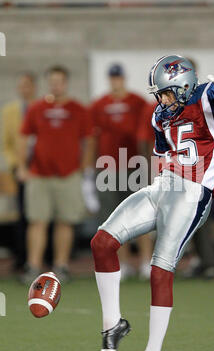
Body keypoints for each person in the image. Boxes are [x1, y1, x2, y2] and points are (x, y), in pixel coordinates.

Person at [90, 56, 214, 351]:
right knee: (101, 242)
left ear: (184, 85)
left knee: (160, 267)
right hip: (162, 186)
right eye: (158, 94)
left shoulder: (208, 96)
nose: (160, 100)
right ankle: (113, 325)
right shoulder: (161, 114)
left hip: (193, 192)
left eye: (165, 93)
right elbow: (163, 156)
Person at [17, 65, 94, 284]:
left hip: (68, 175)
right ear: (48, 83)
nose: (56, 85)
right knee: (37, 221)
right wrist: (22, 167)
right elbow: (23, 138)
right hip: (39, 174)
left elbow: (89, 140)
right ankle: (33, 266)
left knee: (65, 221)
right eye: (53, 81)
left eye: (60, 81)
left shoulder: (78, 109)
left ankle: (61, 266)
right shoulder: (37, 108)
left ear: (66, 83)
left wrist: (84, 167)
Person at [91, 63, 153, 280]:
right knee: (115, 219)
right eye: (112, 78)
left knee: (141, 217)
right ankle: (124, 263)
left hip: (134, 165)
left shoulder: (137, 102)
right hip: (108, 167)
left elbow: (146, 133)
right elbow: (93, 137)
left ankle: (146, 261)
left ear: (124, 78)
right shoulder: (99, 104)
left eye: (119, 78)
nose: (116, 81)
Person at [2, 72, 37, 272]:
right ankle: (22, 256)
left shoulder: (41, 107)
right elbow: (6, 143)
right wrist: (16, 165)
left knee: (41, 215)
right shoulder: (9, 112)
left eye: (28, 85)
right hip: (21, 169)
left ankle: (44, 255)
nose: (25, 89)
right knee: (23, 213)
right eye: (22, 86)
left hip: (41, 168)